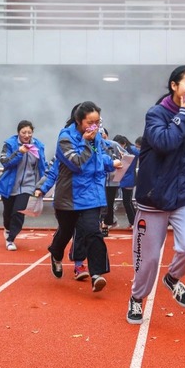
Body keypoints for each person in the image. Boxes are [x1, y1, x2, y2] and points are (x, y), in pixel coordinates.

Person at [126, 65, 185, 324]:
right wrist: (184, 113)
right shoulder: (156, 114)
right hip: (154, 198)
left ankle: (172, 278)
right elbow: (165, 143)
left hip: (183, 196)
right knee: (148, 258)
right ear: (174, 86)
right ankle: (137, 297)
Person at [35, 102, 120, 293]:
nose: (94, 127)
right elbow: (77, 163)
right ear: (79, 121)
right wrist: (86, 142)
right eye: (90, 122)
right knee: (65, 232)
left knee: (93, 232)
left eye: (97, 122)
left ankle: (96, 274)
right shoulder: (65, 138)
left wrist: (111, 162)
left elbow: (100, 158)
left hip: (91, 195)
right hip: (69, 197)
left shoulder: (97, 137)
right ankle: (56, 254)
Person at [0, 120, 47, 251]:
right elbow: (5, 162)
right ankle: (7, 229)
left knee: (19, 211)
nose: (26, 135)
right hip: (10, 185)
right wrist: (19, 152)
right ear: (18, 133)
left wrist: (43, 184)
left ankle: (10, 239)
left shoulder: (38, 146)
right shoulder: (9, 144)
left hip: (28, 185)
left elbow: (42, 166)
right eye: (23, 132)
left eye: (29, 132)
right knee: (8, 213)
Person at [100, 127, 125, 236]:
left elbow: (126, 156)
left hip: (112, 181)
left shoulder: (113, 145)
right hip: (98, 180)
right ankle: (101, 223)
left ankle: (105, 224)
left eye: (103, 135)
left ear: (107, 135)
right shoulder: (92, 145)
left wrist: (119, 168)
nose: (101, 138)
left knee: (109, 204)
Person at [112, 134, 139, 228]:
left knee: (127, 201)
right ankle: (133, 221)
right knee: (127, 201)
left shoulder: (133, 150)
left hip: (128, 178)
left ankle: (133, 222)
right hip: (122, 177)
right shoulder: (127, 150)